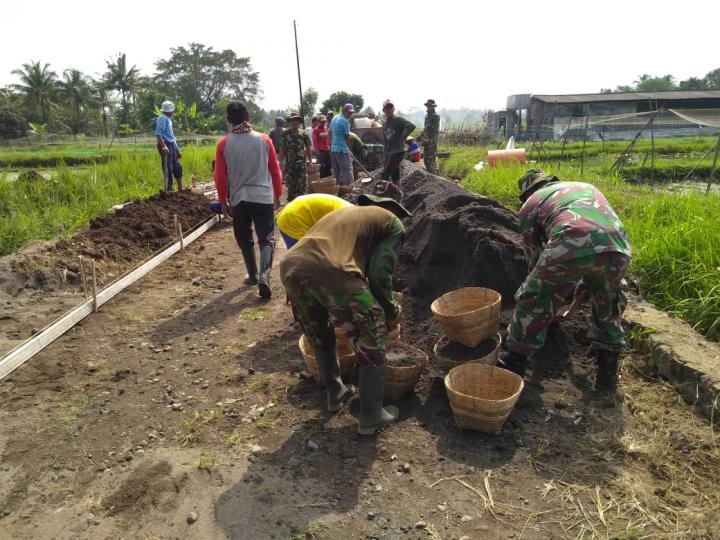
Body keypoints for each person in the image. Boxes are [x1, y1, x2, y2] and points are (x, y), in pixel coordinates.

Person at [279, 203, 412, 434]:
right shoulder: (393, 224)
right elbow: (380, 275)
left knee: (318, 331)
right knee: (374, 326)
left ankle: (335, 392)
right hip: (331, 269)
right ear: (394, 211)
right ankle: (371, 415)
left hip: (290, 267)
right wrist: (391, 310)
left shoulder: (349, 215)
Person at [499, 169, 632, 391]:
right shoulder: (584, 187)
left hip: (572, 240)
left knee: (534, 295)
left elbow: (534, 258)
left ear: (526, 193)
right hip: (617, 247)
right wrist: (583, 282)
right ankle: (606, 378)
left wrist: (546, 298)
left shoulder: (531, 204)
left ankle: (514, 362)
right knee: (608, 305)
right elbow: (596, 232)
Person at [214, 101, 283, 299]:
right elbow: (275, 169)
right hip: (263, 196)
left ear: (228, 120)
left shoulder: (223, 143)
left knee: (244, 237)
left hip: (239, 198)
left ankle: (252, 275)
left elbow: (219, 177)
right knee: (266, 237)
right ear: (249, 117)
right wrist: (277, 193)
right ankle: (264, 275)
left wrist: (223, 201)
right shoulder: (264, 139)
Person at [380, 99, 415, 189]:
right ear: (383, 110)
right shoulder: (384, 124)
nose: (389, 110)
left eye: (390, 108)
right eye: (386, 108)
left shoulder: (398, 120)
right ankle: (400, 196)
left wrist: (402, 137)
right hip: (390, 152)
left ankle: (382, 198)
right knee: (395, 177)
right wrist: (385, 156)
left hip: (398, 151)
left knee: (384, 175)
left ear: (394, 109)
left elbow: (411, 126)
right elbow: (386, 141)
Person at [279, 111, 312, 202]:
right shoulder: (285, 133)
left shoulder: (304, 133)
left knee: (302, 186)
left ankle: (301, 205)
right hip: (290, 164)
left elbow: (308, 147)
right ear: (290, 121)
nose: (295, 122)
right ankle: (291, 205)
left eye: (296, 120)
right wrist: (279, 162)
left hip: (301, 164)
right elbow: (282, 148)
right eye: (293, 120)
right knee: (291, 186)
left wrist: (310, 161)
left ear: (299, 122)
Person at [155, 100, 183, 191]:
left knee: (177, 166)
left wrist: (177, 149)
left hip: (171, 144)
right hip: (165, 143)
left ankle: (180, 189)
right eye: (172, 110)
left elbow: (172, 136)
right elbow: (158, 134)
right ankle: (169, 189)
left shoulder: (168, 120)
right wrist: (163, 146)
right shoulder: (162, 118)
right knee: (168, 167)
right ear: (170, 111)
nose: (173, 112)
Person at [329, 104, 355, 186]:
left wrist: (334, 142)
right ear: (344, 111)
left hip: (334, 150)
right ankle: (350, 190)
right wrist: (350, 151)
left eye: (351, 113)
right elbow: (347, 137)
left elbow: (329, 132)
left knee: (337, 172)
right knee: (347, 171)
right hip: (342, 150)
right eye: (349, 112)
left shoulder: (334, 118)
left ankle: (337, 190)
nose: (350, 115)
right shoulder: (345, 121)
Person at [419, 99, 440, 174]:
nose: (428, 107)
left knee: (431, 162)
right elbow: (425, 128)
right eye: (428, 106)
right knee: (426, 161)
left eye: (430, 106)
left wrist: (423, 134)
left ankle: (434, 179)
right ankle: (430, 179)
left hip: (432, 143)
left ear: (433, 107)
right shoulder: (427, 116)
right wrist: (422, 137)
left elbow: (432, 129)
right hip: (426, 142)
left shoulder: (436, 116)